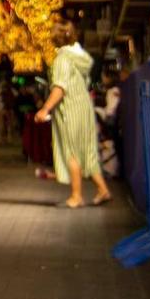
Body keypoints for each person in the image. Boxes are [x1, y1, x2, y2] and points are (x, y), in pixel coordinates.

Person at [36, 17, 112, 208]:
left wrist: (45, 109)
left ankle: (76, 196)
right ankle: (103, 189)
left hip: (70, 109)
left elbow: (59, 88)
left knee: (71, 151)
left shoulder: (62, 59)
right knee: (87, 150)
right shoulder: (79, 57)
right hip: (84, 107)